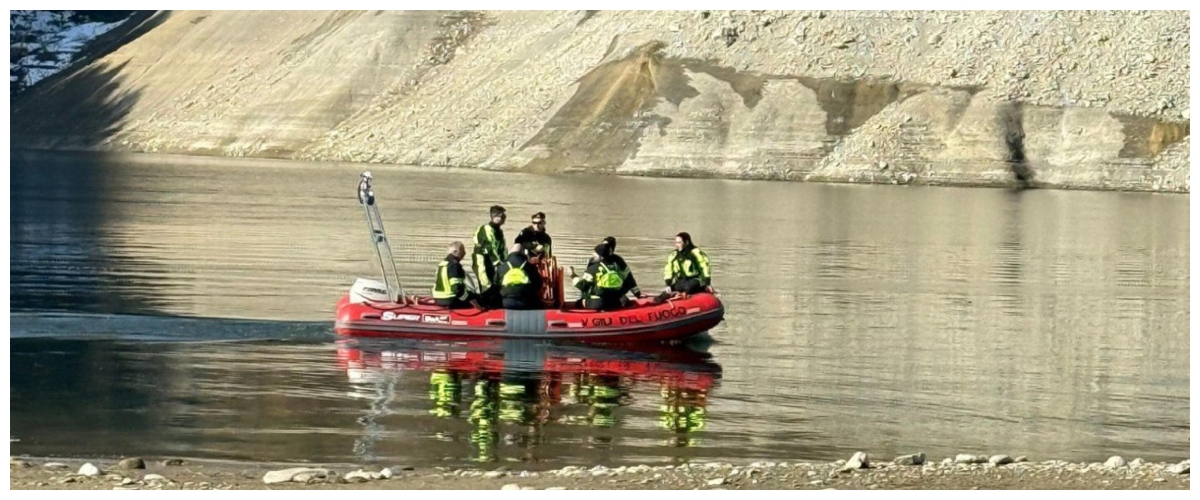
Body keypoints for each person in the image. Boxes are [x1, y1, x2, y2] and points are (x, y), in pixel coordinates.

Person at [570, 243, 640, 310]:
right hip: (616, 302)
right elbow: (630, 281)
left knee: (579, 303)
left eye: (595, 253)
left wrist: (572, 275)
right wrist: (638, 294)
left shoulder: (594, 268)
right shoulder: (619, 267)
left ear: (600, 256)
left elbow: (582, 286)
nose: (593, 254)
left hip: (599, 303)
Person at [472, 205, 507, 308]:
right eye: (502, 216)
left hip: (492, 261)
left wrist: (506, 262)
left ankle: (493, 303)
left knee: (495, 283)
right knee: (485, 283)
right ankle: (484, 303)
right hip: (482, 259)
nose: (504, 219)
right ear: (495, 217)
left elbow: (502, 249)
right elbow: (490, 247)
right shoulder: (486, 229)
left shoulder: (499, 231)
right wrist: (498, 263)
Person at [431, 241, 479, 309]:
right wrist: (470, 299)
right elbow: (456, 289)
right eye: (463, 250)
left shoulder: (442, 263)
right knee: (479, 298)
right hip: (451, 299)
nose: (464, 253)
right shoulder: (454, 265)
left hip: (438, 299)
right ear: (456, 251)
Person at [496, 243, 543, 310]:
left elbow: (495, 283)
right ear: (523, 253)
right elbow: (538, 284)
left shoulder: (503, 267)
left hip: (507, 302)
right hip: (526, 302)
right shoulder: (528, 266)